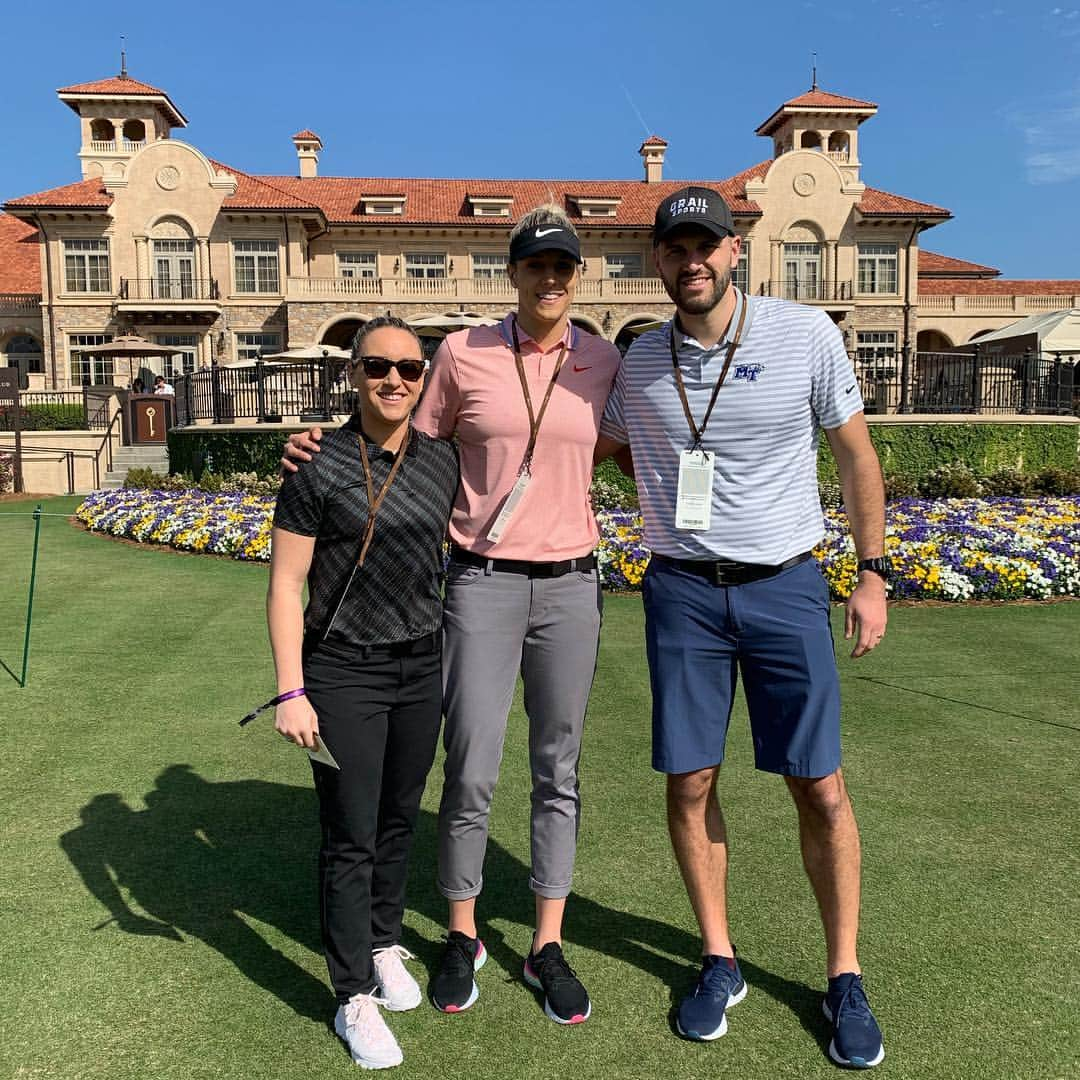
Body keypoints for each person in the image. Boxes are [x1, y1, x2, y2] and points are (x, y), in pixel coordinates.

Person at [283, 204, 621, 1025]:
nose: (550, 278)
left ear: (578, 275)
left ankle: (547, 942)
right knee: (469, 765)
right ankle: (462, 932)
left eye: (563, 267)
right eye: (535, 265)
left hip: (572, 584)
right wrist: (314, 447)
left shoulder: (605, 359)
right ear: (513, 272)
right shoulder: (464, 353)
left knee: (558, 770)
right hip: (481, 581)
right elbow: (396, 436)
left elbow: (617, 443)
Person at [594, 187, 889, 1069]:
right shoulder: (640, 360)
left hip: (787, 586)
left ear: (735, 251)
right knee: (689, 784)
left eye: (706, 245)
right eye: (675, 247)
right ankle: (719, 958)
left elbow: (856, 455)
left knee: (821, 787)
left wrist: (871, 575)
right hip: (681, 592)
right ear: (657, 259)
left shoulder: (806, 335)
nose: (692, 260)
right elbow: (589, 442)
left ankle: (844, 976)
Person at [267, 315, 458, 1069]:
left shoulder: (442, 459)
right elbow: (286, 586)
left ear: (424, 378)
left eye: (410, 369)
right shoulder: (315, 463)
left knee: (399, 817)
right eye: (378, 366)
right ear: (354, 372)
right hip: (342, 667)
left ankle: (382, 942)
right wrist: (291, 689)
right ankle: (351, 992)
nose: (393, 381)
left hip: (421, 663)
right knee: (350, 833)